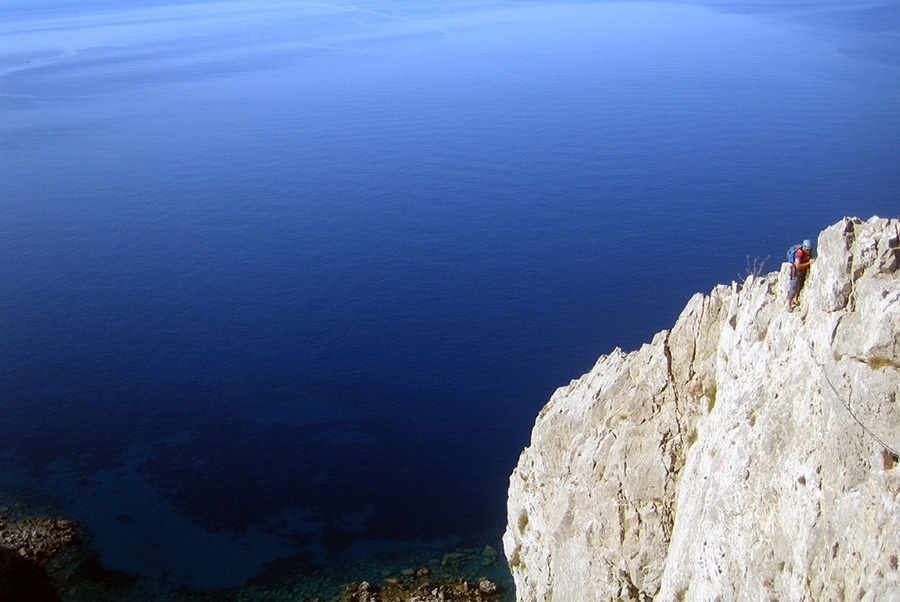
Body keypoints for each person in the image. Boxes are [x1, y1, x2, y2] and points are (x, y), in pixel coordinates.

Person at [787, 239, 816, 312]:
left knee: (799, 286)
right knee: (793, 287)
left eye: (810, 250)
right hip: (796, 272)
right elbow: (797, 266)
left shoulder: (808, 253)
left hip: (803, 271)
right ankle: (789, 305)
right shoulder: (799, 253)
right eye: (808, 250)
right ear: (805, 248)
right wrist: (808, 263)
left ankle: (795, 299)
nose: (809, 251)